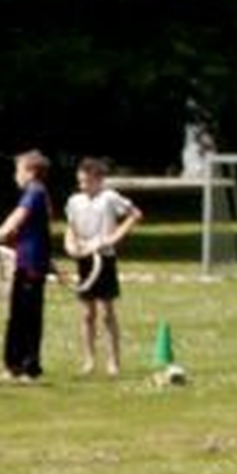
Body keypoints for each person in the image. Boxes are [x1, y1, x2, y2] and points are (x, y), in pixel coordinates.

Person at [65, 157, 143, 377]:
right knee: (87, 313)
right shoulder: (74, 201)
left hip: (104, 259)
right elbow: (71, 227)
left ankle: (113, 362)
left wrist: (113, 238)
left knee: (107, 312)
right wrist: (70, 245)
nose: (83, 186)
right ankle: (88, 361)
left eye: (87, 181)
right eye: (80, 181)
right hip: (85, 259)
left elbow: (135, 215)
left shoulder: (109, 198)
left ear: (99, 180)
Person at [0, 150, 53, 383]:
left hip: (32, 264)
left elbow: (19, 215)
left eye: (18, 169)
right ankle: (14, 365)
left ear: (31, 171)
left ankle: (28, 367)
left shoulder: (34, 191)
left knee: (27, 315)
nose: (16, 175)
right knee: (18, 314)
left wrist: (1, 231)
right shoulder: (34, 192)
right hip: (25, 261)